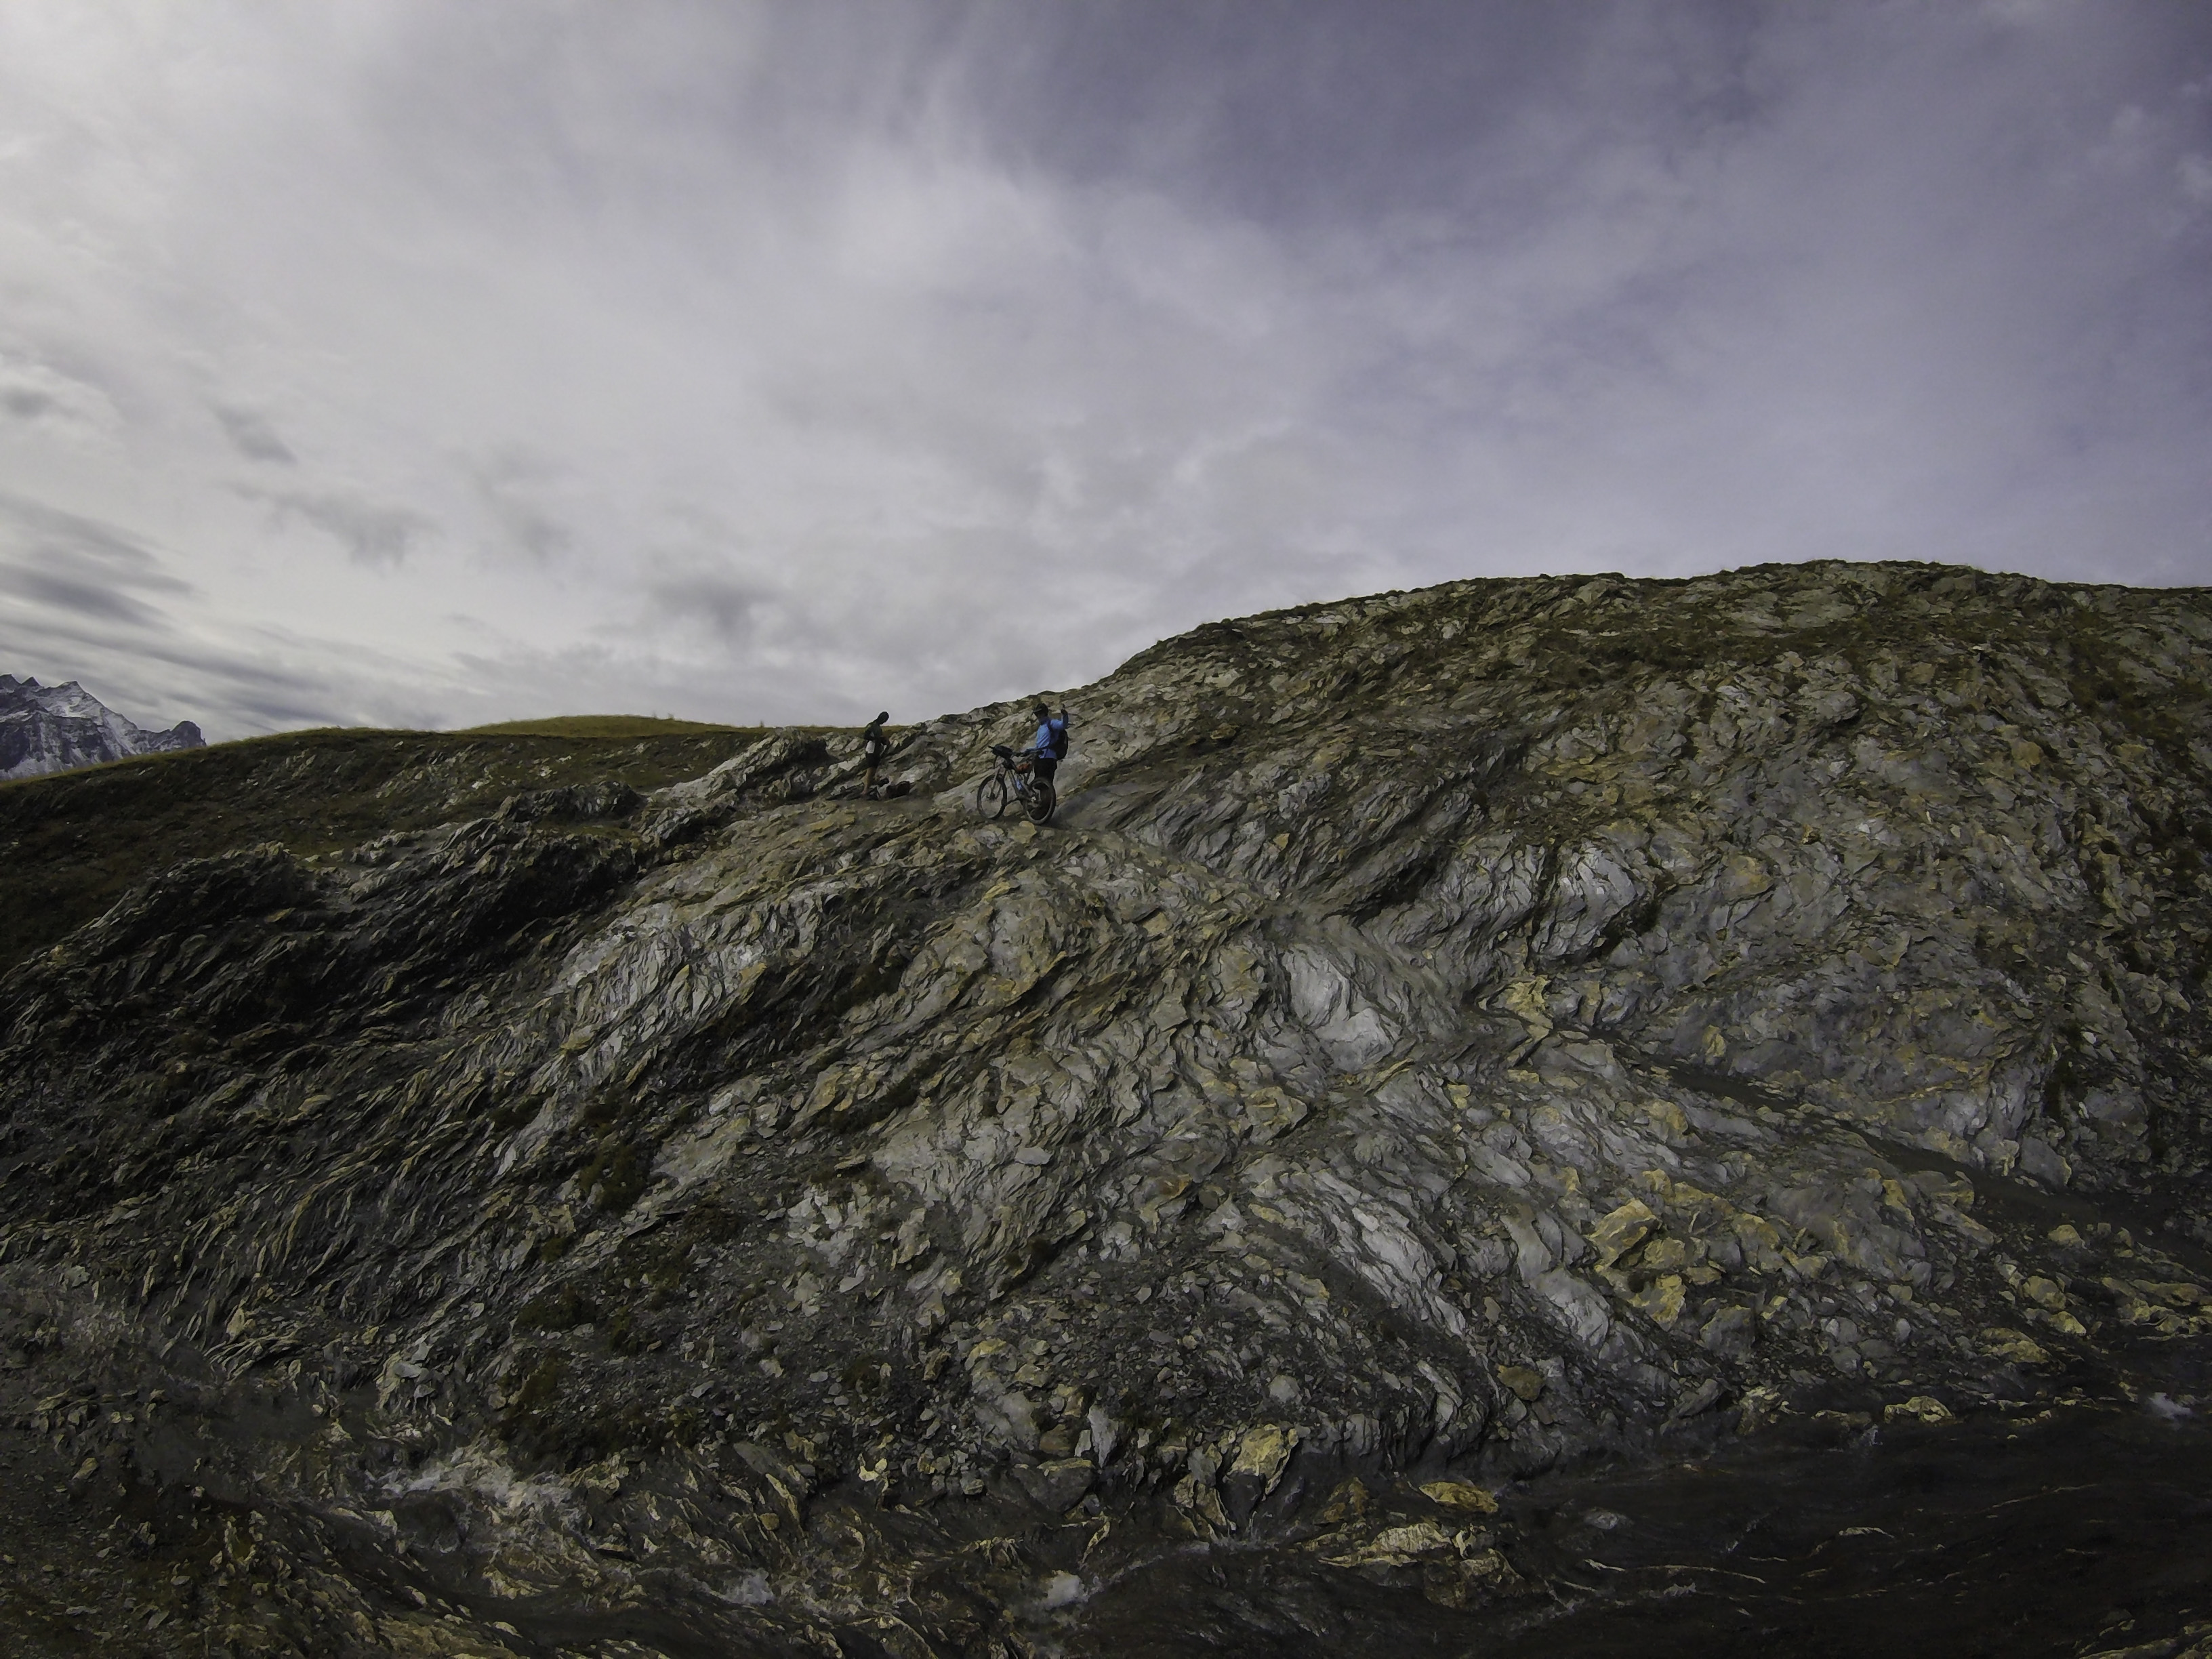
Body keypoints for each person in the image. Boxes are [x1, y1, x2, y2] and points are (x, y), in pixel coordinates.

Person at [1028, 701, 1070, 785]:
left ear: (1045, 713)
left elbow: (1063, 725)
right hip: (1040, 758)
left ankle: (1049, 794)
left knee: (1046, 783)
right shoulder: (1041, 728)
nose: (1039, 716)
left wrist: (1065, 715)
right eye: (1037, 714)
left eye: (1040, 714)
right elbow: (1039, 744)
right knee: (1040, 784)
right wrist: (1030, 751)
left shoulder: (1051, 723)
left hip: (1049, 757)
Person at [859, 711, 890, 798]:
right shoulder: (872, 726)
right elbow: (866, 736)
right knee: (870, 770)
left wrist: (885, 741)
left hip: (876, 751)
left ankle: (868, 787)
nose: (885, 721)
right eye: (885, 719)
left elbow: (879, 739)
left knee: (873, 771)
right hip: (871, 750)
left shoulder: (878, 728)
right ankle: (865, 790)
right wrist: (878, 738)